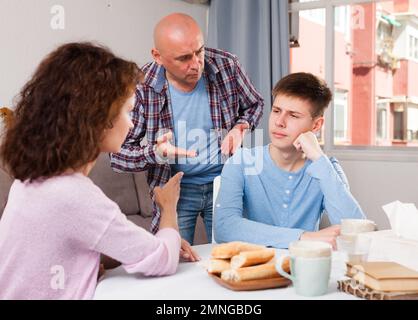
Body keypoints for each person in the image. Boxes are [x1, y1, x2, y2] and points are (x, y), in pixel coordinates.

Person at [0, 42, 183, 299]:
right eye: (128, 111)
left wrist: (155, 241)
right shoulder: (74, 195)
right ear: (100, 118)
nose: (131, 125)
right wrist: (168, 211)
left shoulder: (29, 182)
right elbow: (161, 260)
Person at [110, 13, 264, 252]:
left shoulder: (226, 66)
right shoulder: (141, 87)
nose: (196, 64)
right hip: (175, 191)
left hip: (225, 184)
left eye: (199, 51)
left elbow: (255, 104)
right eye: (183, 58)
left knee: (230, 259)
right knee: (173, 263)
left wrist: (240, 127)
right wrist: (156, 153)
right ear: (157, 57)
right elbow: (117, 156)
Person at [214, 72, 365, 249]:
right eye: (276, 111)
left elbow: (358, 231)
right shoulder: (241, 161)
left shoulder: (326, 168)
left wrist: (318, 157)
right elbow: (224, 228)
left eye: (293, 115)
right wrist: (302, 237)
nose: (279, 122)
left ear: (316, 125)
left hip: (303, 268)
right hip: (252, 268)